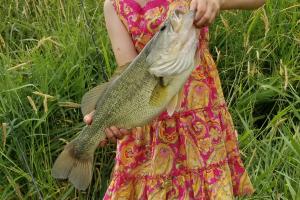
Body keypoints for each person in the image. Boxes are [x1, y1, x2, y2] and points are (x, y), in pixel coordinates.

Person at [84, 0, 265, 199]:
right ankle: (80, 151)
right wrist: (107, 117)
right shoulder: (113, 6)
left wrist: (217, 2)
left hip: (200, 121)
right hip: (149, 135)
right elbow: (128, 75)